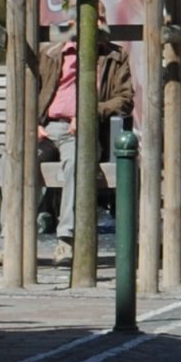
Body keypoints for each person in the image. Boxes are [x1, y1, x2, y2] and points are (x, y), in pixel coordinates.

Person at [34, 24, 133, 241]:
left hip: (83, 129)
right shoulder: (50, 53)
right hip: (47, 127)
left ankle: (66, 237)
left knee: (77, 162)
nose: (98, 25)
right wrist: (33, 122)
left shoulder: (114, 56)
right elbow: (30, 90)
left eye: (102, 19)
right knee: (17, 159)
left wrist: (89, 112)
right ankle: (11, 239)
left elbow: (125, 100)